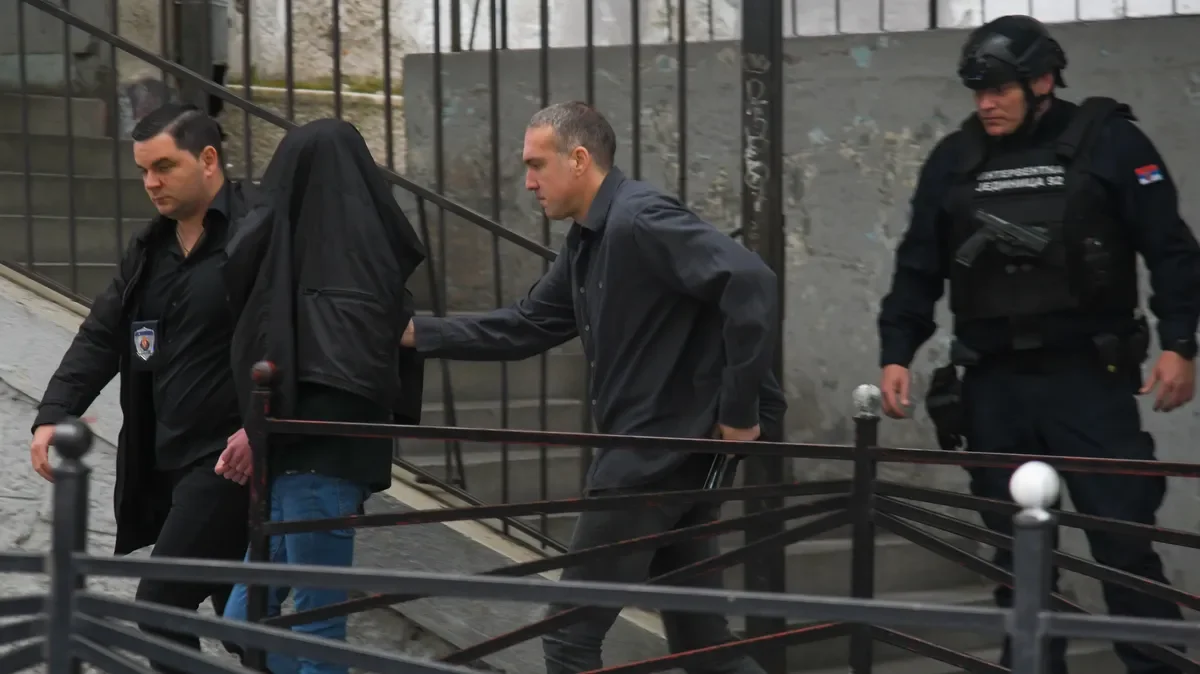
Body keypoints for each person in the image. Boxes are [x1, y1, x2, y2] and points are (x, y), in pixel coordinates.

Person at [401, 101, 784, 674]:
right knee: (702, 642)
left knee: (568, 638)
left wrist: (740, 409)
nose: (529, 182)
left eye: (537, 165)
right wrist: (414, 333)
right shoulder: (587, 241)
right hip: (672, 459)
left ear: (579, 160)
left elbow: (751, 280)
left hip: (649, 464)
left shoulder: (639, 219)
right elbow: (526, 325)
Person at [877, 15, 1200, 674]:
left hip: (1089, 381)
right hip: (994, 386)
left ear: (1044, 81)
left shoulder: (1111, 142)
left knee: (1122, 544)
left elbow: (1170, 249)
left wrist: (1180, 343)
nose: (985, 104)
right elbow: (918, 265)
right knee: (1016, 556)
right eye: (978, 92)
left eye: (999, 89)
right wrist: (896, 351)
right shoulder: (955, 159)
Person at [28, 103, 256, 671]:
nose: (151, 182)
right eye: (144, 171)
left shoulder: (259, 231)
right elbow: (103, 333)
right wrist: (54, 412)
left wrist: (261, 428)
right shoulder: (151, 249)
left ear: (208, 159)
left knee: (159, 610)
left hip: (228, 461)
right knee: (247, 629)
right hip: (165, 459)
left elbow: (291, 335)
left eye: (164, 166)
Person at [219, 118, 426, 674]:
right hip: (300, 467)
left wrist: (259, 428)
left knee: (317, 632)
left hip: (319, 470)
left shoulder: (328, 276)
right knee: (244, 622)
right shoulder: (345, 267)